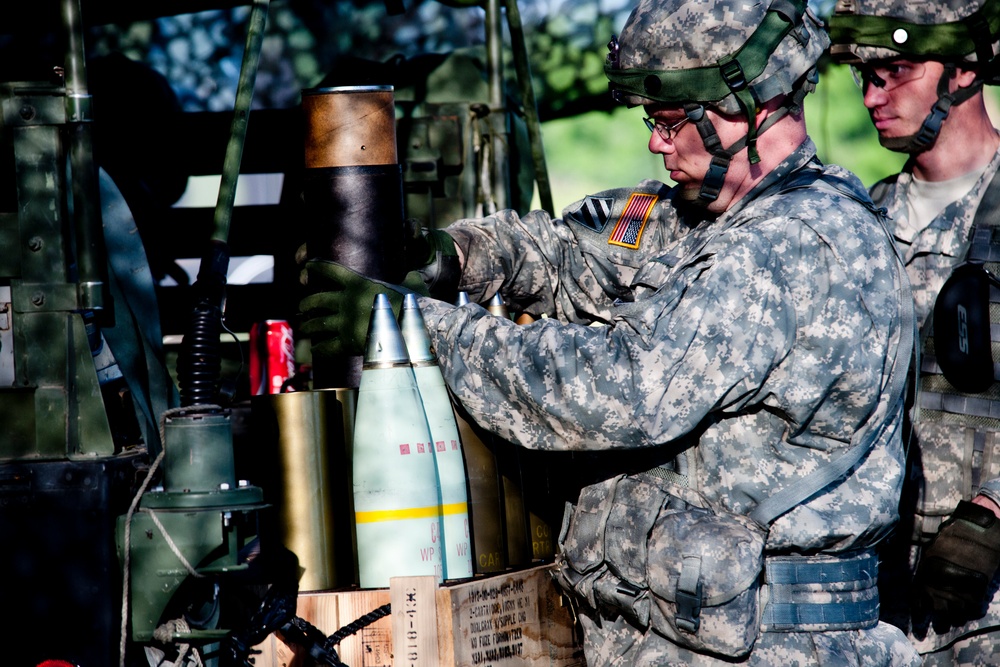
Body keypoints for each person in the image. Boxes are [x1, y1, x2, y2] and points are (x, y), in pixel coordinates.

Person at [300, 0, 920, 663]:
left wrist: (415, 328)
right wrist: (458, 257)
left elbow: (624, 386)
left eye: (670, 120)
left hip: (770, 644)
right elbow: (579, 253)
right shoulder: (712, 218)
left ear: (747, 105)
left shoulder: (794, 244)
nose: (656, 142)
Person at [828, 0, 1000, 664]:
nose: (873, 96)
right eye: (863, 77)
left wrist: (991, 510)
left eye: (895, 70)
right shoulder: (854, 226)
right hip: (872, 616)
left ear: (962, 69)